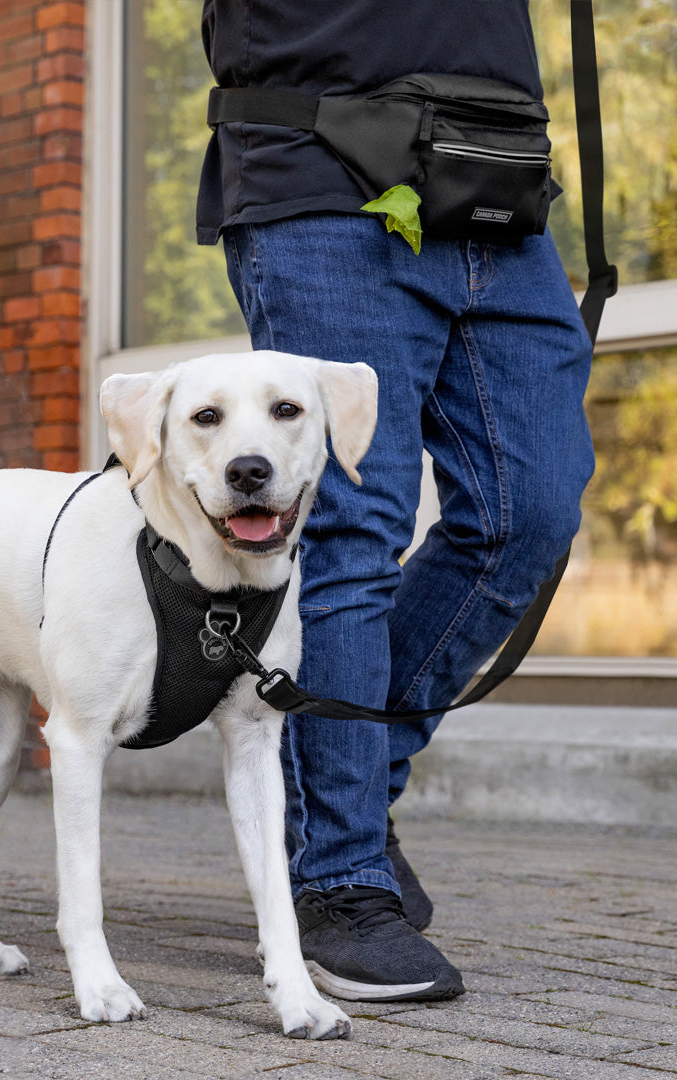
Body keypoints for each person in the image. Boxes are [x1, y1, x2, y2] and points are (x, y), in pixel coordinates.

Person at [197, 0, 594, 1002]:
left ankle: (353, 796)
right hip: (321, 172)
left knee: (530, 515)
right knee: (353, 536)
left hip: (494, 177)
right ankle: (336, 881)